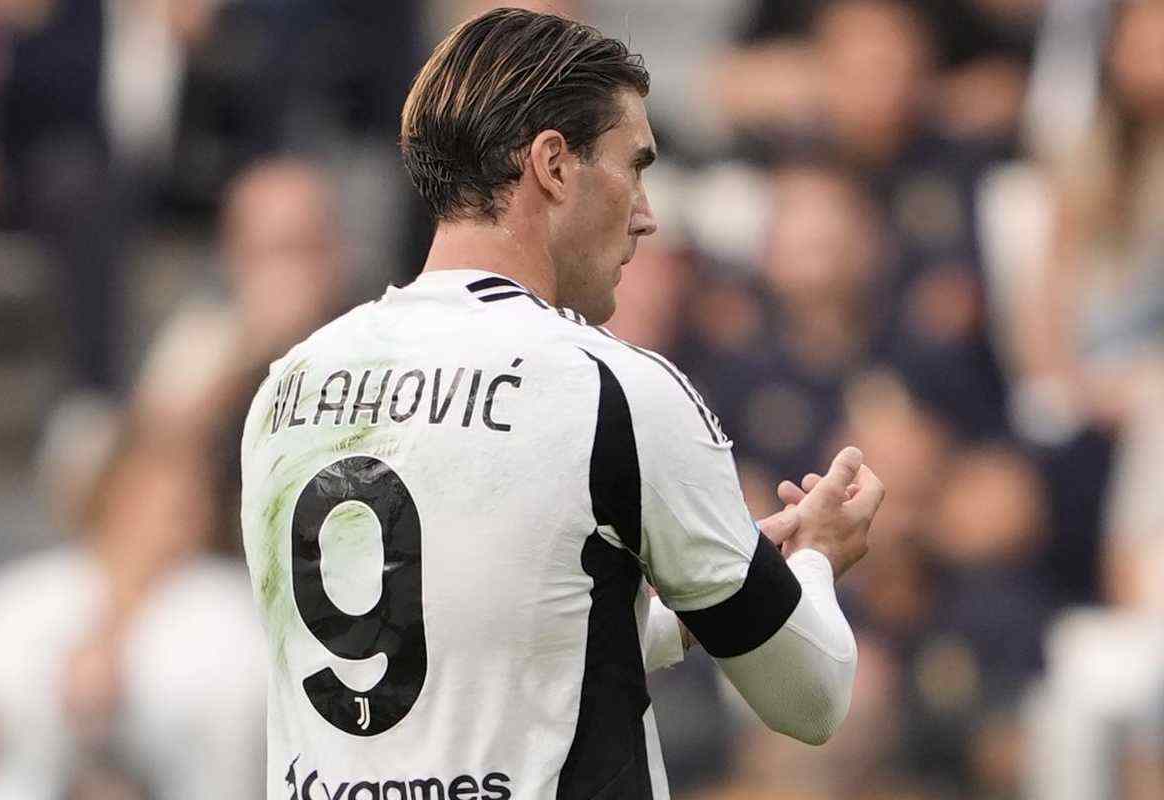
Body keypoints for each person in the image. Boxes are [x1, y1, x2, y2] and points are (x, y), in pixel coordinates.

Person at [240, 8, 884, 799]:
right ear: (552, 164)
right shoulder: (611, 389)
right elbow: (811, 696)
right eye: (634, 167)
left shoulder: (290, 386)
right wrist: (815, 559)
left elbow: (459, 660)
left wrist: (700, 608)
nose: (646, 214)